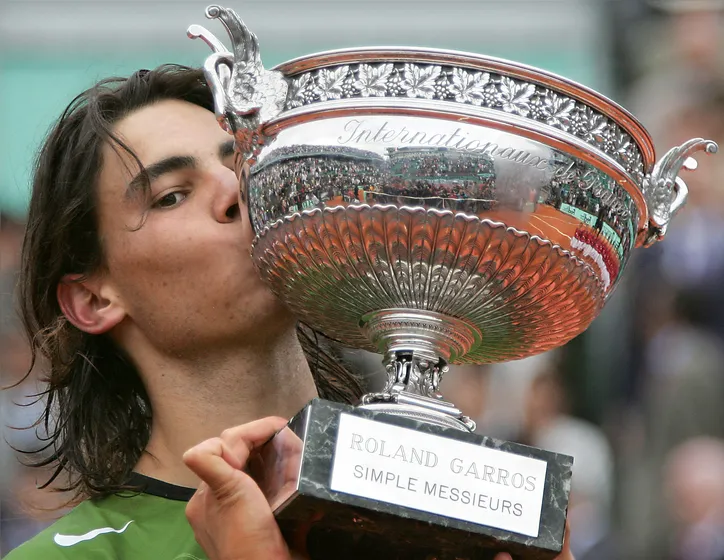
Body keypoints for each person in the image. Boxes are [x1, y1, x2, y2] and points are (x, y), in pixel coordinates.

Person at [5, 64, 573, 559]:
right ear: (94, 299)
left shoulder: (443, 508)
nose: (237, 191)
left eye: (243, 162)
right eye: (172, 194)